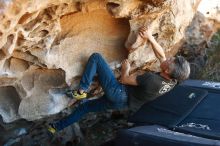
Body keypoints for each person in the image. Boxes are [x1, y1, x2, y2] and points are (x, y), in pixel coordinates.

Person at [47, 27, 190, 134]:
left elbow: (124, 80)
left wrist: (125, 68)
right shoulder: (173, 80)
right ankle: (56, 127)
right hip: (122, 103)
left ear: (167, 71)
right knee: (85, 108)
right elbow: (162, 56)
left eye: (171, 61)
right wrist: (150, 38)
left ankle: (82, 90)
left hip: (119, 91)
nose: (169, 58)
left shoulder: (151, 80)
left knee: (96, 58)